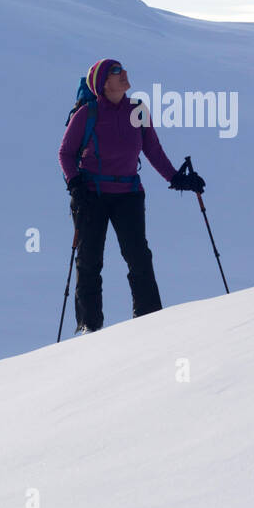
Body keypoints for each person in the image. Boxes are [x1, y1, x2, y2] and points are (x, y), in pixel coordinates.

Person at [58, 58, 205, 334]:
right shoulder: (87, 114)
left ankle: (149, 319)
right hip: (91, 195)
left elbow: (153, 150)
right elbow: (65, 153)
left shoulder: (138, 110)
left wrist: (177, 179)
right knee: (90, 260)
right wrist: (75, 184)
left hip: (129, 194)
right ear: (103, 83)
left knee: (139, 256)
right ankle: (89, 327)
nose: (124, 74)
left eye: (123, 69)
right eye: (116, 72)